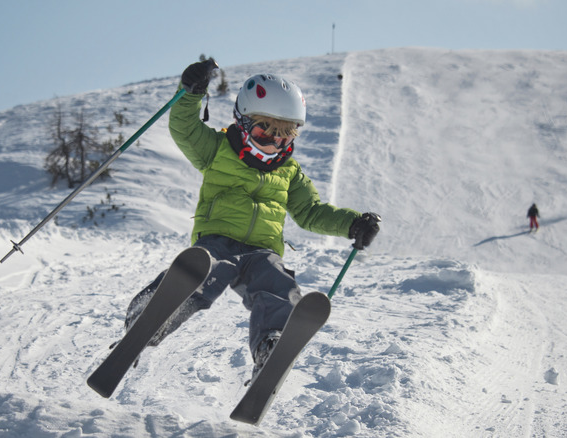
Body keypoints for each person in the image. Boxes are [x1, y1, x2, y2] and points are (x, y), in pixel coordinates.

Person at [123, 59, 380, 378]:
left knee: (278, 285)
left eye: (284, 137)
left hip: (262, 251)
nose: (274, 143)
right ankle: (150, 318)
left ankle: (271, 343)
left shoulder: (290, 172)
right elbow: (184, 129)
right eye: (264, 132)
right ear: (242, 122)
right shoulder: (217, 149)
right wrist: (191, 93)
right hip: (216, 242)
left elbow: (310, 212)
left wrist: (352, 224)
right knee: (201, 272)